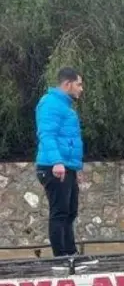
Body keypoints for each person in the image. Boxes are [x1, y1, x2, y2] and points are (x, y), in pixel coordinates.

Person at [35, 67, 85, 257]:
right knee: (60, 212)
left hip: (67, 166)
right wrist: (57, 161)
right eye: (78, 84)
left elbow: (70, 140)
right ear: (67, 84)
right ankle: (61, 257)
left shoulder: (64, 106)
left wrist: (76, 168)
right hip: (53, 166)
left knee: (70, 212)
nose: (81, 89)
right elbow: (47, 134)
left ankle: (71, 254)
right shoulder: (50, 104)